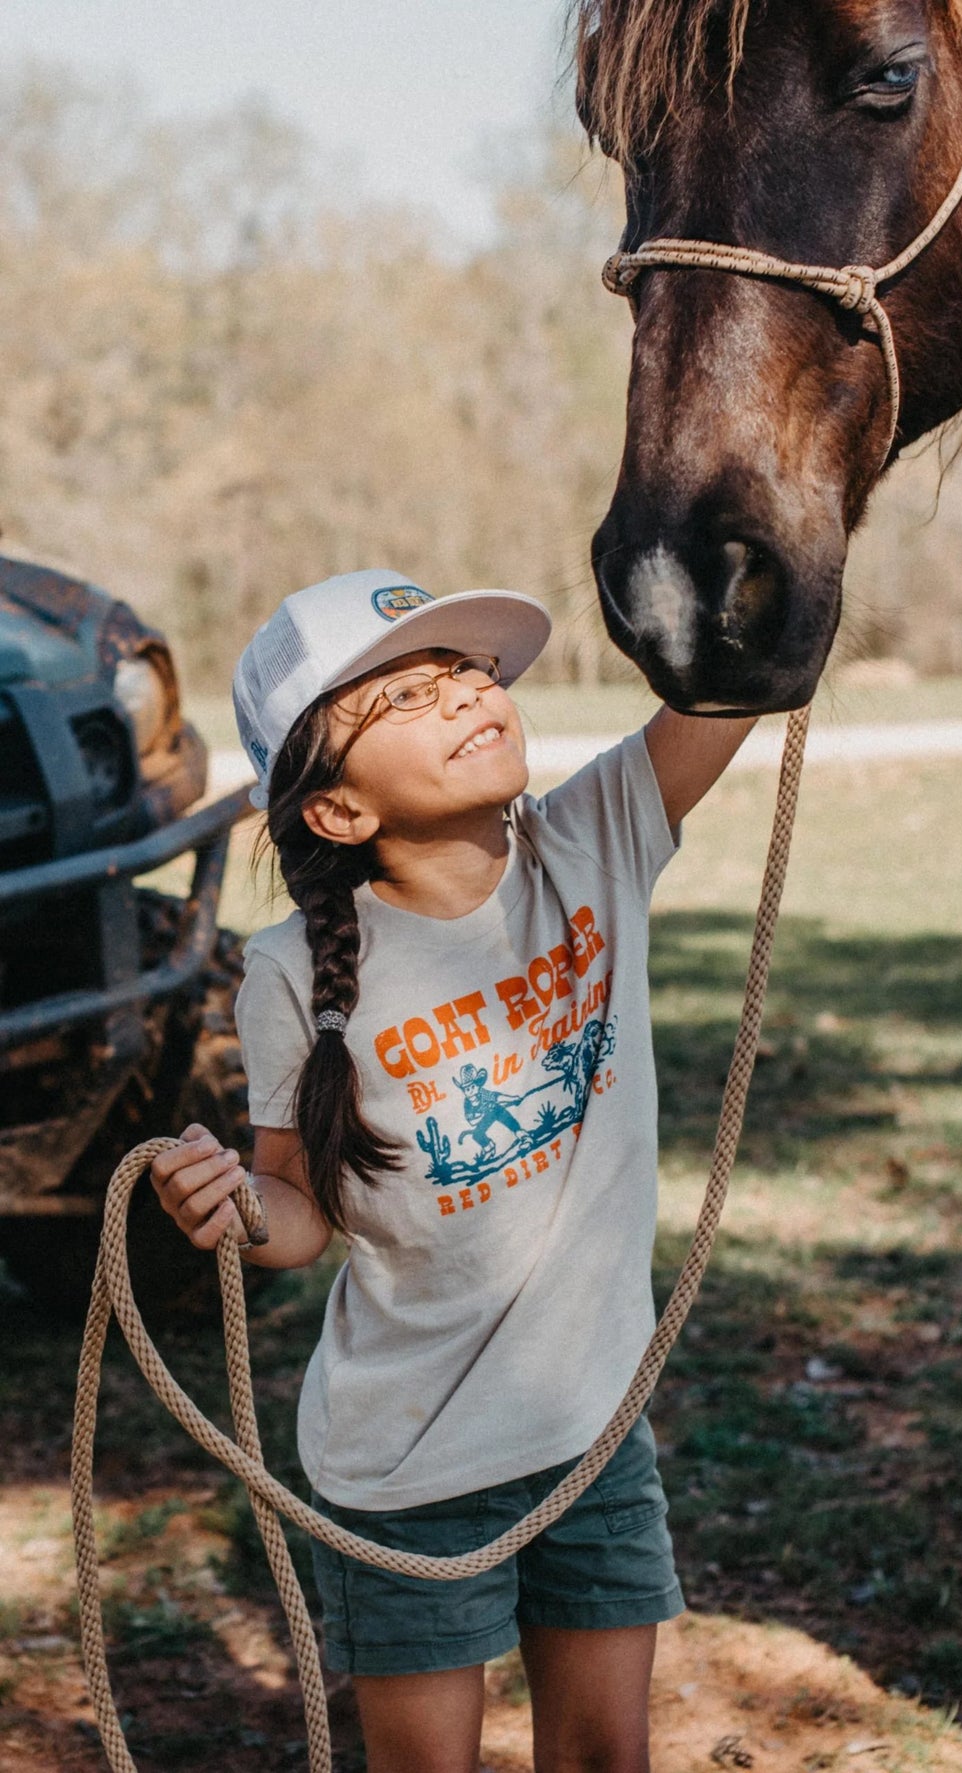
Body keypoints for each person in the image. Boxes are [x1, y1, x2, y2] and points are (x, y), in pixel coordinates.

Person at [150, 568, 756, 1773]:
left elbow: (736, 677)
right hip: (407, 1463)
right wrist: (221, 1210)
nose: (468, 695)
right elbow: (300, 1217)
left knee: (604, 1756)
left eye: (469, 671)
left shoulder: (593, 839)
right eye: (406, 697)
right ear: (333, 812)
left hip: (591, 1427)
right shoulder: (289, 976)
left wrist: (776, 518)